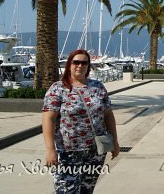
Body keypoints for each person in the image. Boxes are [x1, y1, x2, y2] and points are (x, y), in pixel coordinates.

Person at [42, 49, 119, 193]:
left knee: (87, 190)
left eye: (84, 63)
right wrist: (50, 149)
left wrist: (115, 141)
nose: (80, 66)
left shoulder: (97, 87)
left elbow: (108, 115)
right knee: (66, 190)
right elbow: (48, 119)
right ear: (69, 65)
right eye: (76, 62)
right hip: (68, 152)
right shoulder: (58, 89)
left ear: (88, 66)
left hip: (95, 151)